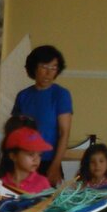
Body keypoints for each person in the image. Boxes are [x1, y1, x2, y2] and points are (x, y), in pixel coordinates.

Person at [11, 45, 73, 186]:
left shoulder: (61, 94)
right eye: (44, 67)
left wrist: (55, 165)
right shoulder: (23, 96)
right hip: (24, 162)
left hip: (49, 161)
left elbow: (64, 133)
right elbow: (15, 130)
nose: (48, 73)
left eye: (53, 68)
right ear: (34, 67)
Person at [0, 127, 53, 194]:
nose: (36, 159)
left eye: (40, 155)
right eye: (31, 154)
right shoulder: (2, 183)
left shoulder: (43, 183)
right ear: (13, 156)